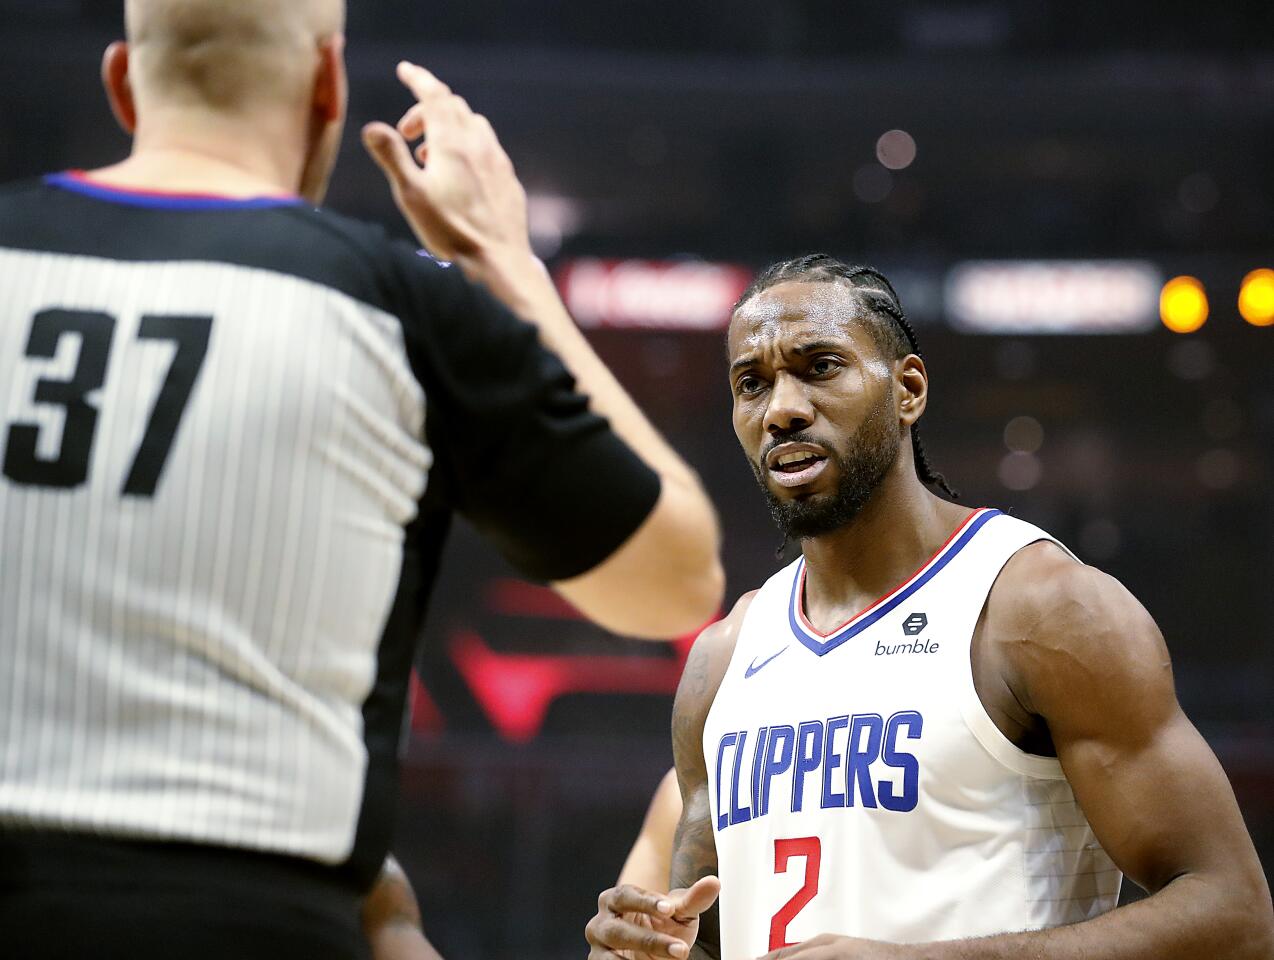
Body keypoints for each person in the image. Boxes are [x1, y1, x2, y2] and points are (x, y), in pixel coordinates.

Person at [0, 0, 724, 955]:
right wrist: (504, 257)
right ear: (329, 86)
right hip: (259, 921)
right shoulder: (394, 307)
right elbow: (676, 579)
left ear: (123, 84)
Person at [585, 255, 1274, 960]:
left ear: (907, 389)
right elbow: (703, 939)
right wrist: (641, 949)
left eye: (819, 366)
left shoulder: (1039, 608)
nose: (782, 409)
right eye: (751, 383)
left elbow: (1235, 916)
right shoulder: (722, 658)